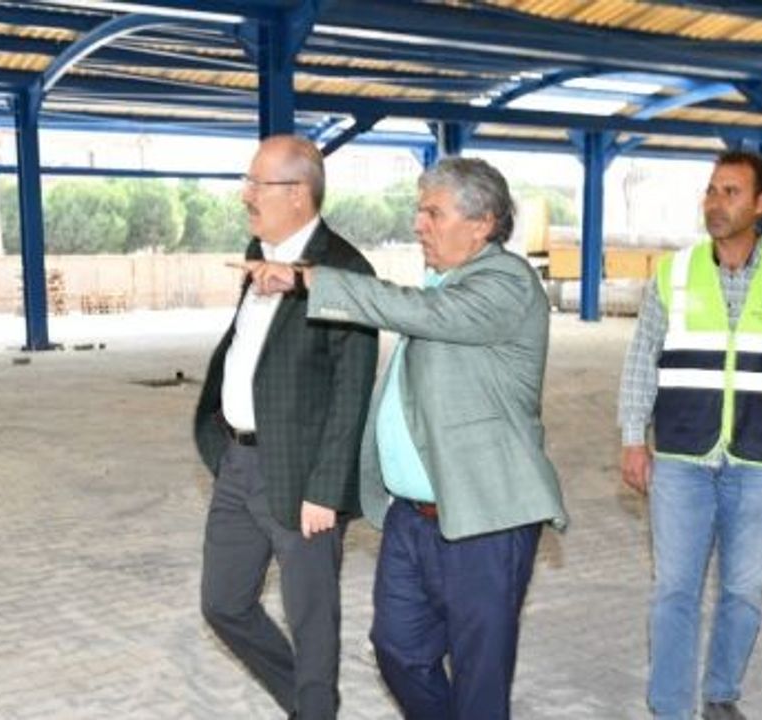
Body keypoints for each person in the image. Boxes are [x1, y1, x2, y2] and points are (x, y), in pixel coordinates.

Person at [241, 156, 568, 720]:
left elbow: (419, 312)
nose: (418, 224)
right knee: (397, 650)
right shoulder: (444, 282)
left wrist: (308, 277)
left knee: (479, 673)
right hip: (411, 519)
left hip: (484, 517)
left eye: (433, 213)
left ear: (482, 223)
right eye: (419, 211)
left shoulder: (507, 283)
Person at [617, 151, 762, 720]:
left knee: (744, 589)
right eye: (711, 190)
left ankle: (720, 694)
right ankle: (670, 709)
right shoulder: (674, 273)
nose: (715, 203)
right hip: (681, 455)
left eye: (731, 192)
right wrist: (632, 436)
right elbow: (642, 359)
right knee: (674, 588)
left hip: (761, 459)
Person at [194, 134, 378, 720]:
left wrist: (327, 489)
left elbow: (352, 389)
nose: (245, 195)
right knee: (223, 603)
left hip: (302, 477)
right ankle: (306, 705)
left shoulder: (346, 271)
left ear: (298, 193)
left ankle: (315, 707)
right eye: (246, 182)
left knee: (311, 619)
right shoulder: (258, 250)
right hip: (237, 461)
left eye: (257, 184)